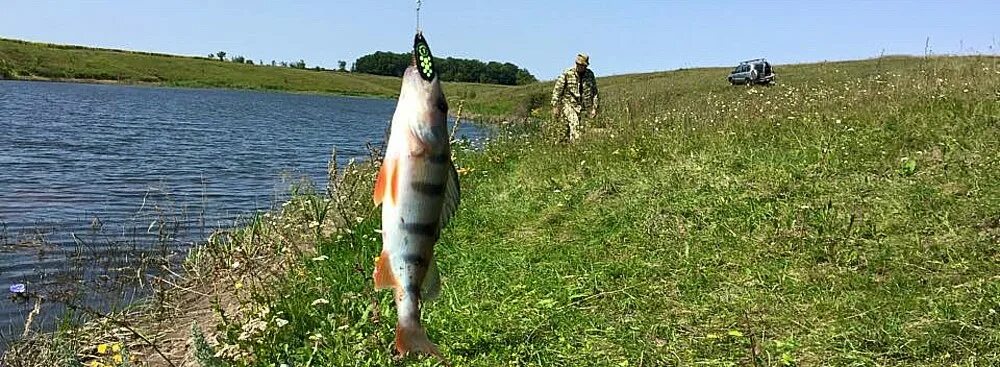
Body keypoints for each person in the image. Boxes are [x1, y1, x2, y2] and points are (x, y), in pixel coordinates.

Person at [551, 53, 599, 142]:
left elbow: (595, 92)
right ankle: (576, 148)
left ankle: (562, 145)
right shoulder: (567, 73)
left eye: (582, 65)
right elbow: (557, 90)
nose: (580, 66)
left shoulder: (590, 74)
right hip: (569, 105)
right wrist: (555, 106)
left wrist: (594, 108)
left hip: (584, 107)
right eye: (578, 64)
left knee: (572, 129)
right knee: (574, 124)